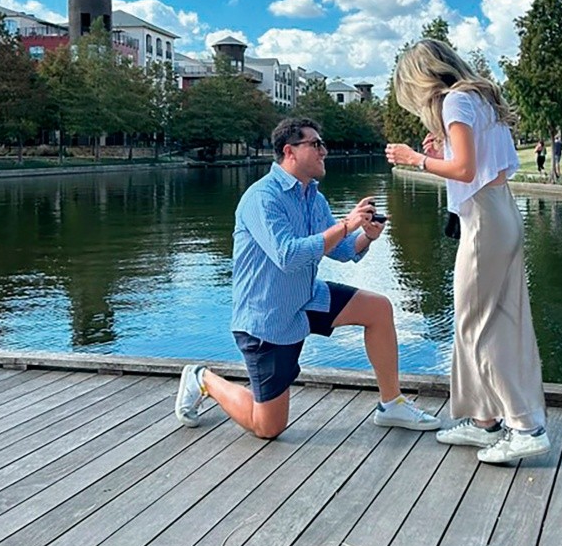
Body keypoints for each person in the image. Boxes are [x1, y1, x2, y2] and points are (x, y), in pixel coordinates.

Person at [175, 117, 440, 438]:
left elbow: (342, 250)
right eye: (315, 144)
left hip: (306, 298)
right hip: (267, 318)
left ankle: (391, 404)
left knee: (378, 309)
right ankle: (203, 378)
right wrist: (345, 224)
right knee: (268, 426)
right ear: (289, 151)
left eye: (322, 144)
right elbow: (288, 255)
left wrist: (366, 235)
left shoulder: (313, 197)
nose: (324, 151)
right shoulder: (262, 198)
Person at [385, 39, 548, 465]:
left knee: (479, 326)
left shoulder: (455, 102)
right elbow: (478, 166)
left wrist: (415, 159)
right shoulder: (478, 98)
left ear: (422, 77)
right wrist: (445, 153)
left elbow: (466, 171)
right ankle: (484, 419)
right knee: (493, 318)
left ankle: (525, 426)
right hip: (502, 211)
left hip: (484, 223)